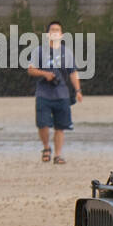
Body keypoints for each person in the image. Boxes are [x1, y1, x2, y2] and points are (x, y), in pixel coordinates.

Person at [27, 19, 83, 164]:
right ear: (47, 34)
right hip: (43, 93)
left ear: (62, 34)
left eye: (57, 30)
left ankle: (58, 155)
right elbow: (31, 69)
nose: (55, 33)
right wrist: (44, 74)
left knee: (61, 126)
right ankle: (46, 147)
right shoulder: (39, 51)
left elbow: (73, 72)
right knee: (42, 124)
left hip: (62, 94)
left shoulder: (67, 53)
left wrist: (78, 90)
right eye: (52, 30)